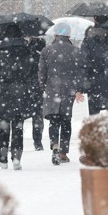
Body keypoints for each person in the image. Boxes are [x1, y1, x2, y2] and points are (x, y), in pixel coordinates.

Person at [0, 24, 32, 170]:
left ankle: (3, 156)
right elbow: (31, 73)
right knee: (18, 125)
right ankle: (16, 156)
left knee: (3, 125)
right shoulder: (27, 52)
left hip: (2, 93)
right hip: (21, 91)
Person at [39, 23, 85, 165]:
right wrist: (78, 89)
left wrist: (43, 87)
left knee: (54, 120)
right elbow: (80, 73)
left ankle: (55, 145)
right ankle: (64, 153)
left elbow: (42, 72)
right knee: (66, 121)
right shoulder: (75, 51)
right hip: (68, 90)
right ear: (69, 35)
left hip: (52, 90)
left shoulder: (46, 51)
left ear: (55, 34)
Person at [28, 37, 46, 151]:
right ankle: (37, 142)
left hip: (25, 87)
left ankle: (15, 140)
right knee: (37, 115)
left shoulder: (26, 54)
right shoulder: (42, 56)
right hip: (38, 88)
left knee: (18, 116)